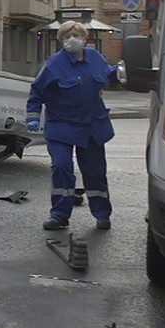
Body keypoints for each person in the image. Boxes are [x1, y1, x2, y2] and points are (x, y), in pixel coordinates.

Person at [25, 20, 119, 231]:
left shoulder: (95, 58)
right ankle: (59, 215)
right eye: (67, 37)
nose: (72, 40)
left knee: (95, 171)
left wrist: (119, 73)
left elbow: (107, 75)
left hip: (92, 126)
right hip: (62, 126)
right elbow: (36, 92)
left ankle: (102, 214)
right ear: (61, 40)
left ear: (85, 39)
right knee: (61, 167)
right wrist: (32, 116)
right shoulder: (53, 65)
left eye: (76, 36)